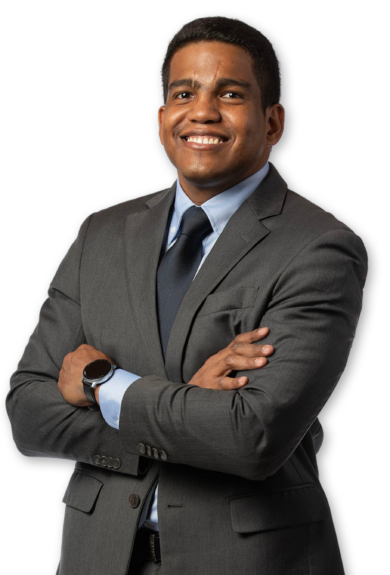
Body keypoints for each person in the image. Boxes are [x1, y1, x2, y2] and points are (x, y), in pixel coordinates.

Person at [6, 15, 367, 575]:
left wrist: (105, 384)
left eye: (229, 93)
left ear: (273, 122)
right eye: (184, 93)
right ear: (161, 120)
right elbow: (27, 414)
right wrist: (188, 406)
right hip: (97, 556)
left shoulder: (319, 248)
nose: (202, 112)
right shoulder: (100, 233)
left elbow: (252, 437)